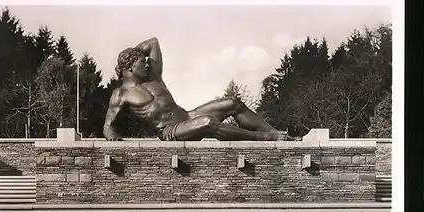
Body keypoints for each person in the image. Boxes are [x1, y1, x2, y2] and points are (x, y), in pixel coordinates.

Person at [103, 37, 301, 141]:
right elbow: (108, 124)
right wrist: (110, 135)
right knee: (207, 122)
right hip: (170, 131)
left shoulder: (153, 76)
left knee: (232, 101)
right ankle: (264, 137)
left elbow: (153, 41)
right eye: (140, 62)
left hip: (188, 116)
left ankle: (276, 134)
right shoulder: (121, 94)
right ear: (129, 68)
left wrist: (133, 53)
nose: (147, 64)